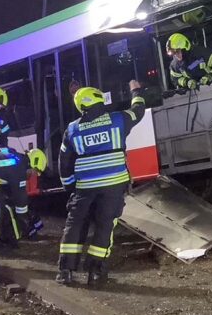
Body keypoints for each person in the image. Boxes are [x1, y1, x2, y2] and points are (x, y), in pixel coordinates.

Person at [56, 81, 145, 287]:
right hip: (113, 185)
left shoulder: (72, 130)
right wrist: (136, 91)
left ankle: (65, 272)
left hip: (84, 188)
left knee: (75, 225)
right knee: (105, 226)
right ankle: (95, 274)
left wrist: (69, 187)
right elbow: (138, 111)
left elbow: (64, 162)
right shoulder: (118, 120)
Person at [0, 149, 47, 244]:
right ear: (32, 164)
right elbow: (21, 200)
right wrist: (25, 224)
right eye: (34, 172)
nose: (31, 176)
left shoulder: (14, 159)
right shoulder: (20, 168)